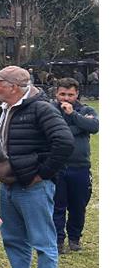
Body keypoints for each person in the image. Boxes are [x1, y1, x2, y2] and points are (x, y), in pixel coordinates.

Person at [0, 66, 74, 268]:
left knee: (42, 240)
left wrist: (42, 174)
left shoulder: (41, 108)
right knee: (13, 236)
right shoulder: (5, 110)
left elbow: (64, 142)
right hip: (11, 184)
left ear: (13, 87)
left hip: (33, 186)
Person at [52, 78, 98, 253]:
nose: (66, 98)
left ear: (77, 94)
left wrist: (74, 116)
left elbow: (93, 126)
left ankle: (74, 238)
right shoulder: (50, 110)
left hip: (80, 166)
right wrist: (79, 127)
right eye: (62, 94)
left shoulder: (86, 109)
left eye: (70, 94)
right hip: (57, 167)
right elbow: (52, 132)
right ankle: (58, 241)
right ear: (56, 93)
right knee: (57, 206)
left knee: (78, 206)